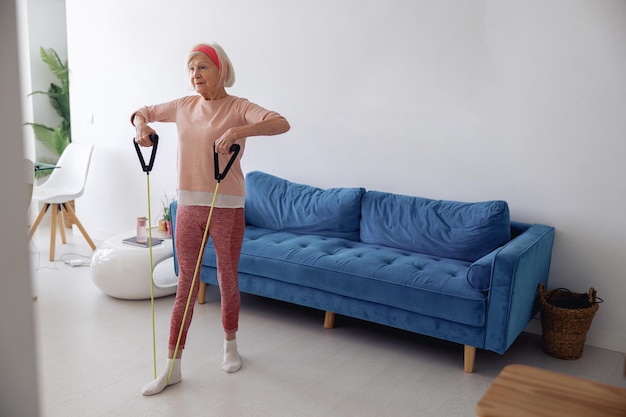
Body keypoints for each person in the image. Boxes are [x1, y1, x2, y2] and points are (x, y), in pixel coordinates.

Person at [131, 42, 290, 396]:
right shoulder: (184, 106)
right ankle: (172, 367)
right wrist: (141, 126)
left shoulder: (238, 106)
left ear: (221, 70)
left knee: (226, 278)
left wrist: (237, 131)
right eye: (190, 69)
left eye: (202, 67)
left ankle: (230, 345)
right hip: (187, 205)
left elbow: (280, 123)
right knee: (186, 284)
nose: (195, 75)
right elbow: (142, 111)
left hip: (228, 206)